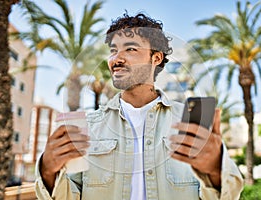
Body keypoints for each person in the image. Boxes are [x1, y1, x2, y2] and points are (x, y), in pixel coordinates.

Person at [35, 13, 243, 200]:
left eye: (130, 49)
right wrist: (48, 171)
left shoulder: (190, 121)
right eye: (113, 50)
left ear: (156, 58)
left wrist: (215, 172)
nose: (116, 59)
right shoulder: (88, 126)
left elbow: (225, 195)